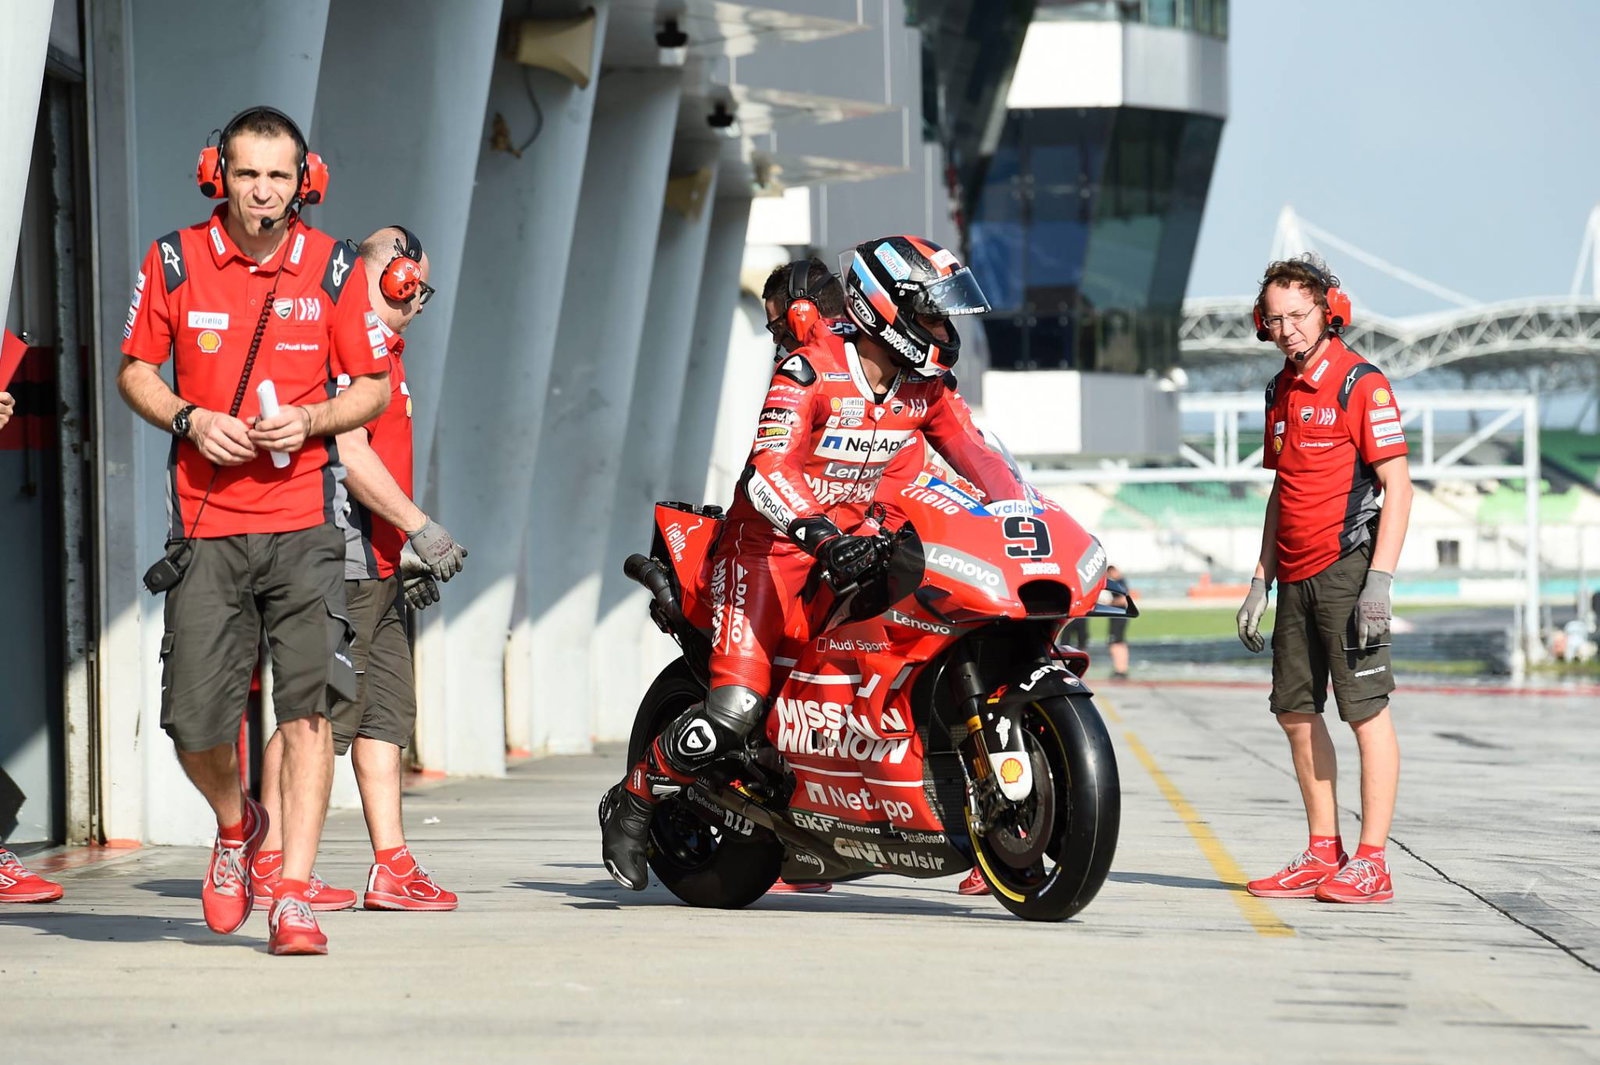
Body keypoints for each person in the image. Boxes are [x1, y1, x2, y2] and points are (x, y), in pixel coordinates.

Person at [601, 234, 1026, 891]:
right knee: (737, 708)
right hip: (768, 550)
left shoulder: (927, 387)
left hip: (860, 540)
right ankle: (633, 800)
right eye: (934, 314)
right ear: (889, 308)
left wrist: (1021, 515)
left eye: (947, 317)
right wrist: (823, 535)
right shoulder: (808, 369)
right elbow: (769, 471)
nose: (944, 330)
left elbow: (982, 460)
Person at [117, 106, 393, 955]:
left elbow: (372, 387)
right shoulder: (172, 260)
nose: (263, 192)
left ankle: (294, 895)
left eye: (279, 176)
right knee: (193, 724)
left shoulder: (338, 267)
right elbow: (135, 370)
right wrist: (191, 419)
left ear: (304, 182)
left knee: (306, 710)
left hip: (307, 522)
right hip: (206, 528)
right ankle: (238, 824)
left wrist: (310, 418)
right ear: (217, 174)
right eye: (247, 174)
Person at [249, 225, 466, 913]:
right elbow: (350, 454)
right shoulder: (343, 349)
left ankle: (392, 865)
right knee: (311, 713)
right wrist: (420, 527)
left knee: (383, 716)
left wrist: (401, 546)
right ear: (392, 277)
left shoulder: (388, 355)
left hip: (377, 564)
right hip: (334, 561)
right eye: (416, 287)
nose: (420, 301)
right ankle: (273, 858)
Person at [1235, 256, 1412, 905]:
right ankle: (1321, 851)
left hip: (1347, 572)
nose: (1287, 328)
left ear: (1329, 309)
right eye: (1275, 318)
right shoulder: (1278, 391)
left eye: (1299, 315)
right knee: (1294, 711)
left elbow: (1399, 485)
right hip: (1294, 577)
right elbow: (1282, 489)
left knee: (1366, 713)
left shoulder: (1362, 382)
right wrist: (1260, 578)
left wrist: (1380, 580)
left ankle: (1373, 862)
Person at [1106, 565, 1132, 679]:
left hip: (1118, 616)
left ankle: (1120, 668)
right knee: (1120, 642)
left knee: (1115, 643)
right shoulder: (1122, 581)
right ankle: (1122, 668)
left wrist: (1109, 603)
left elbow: (1123, 599)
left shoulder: (1119, 582)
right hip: (1121, 616)